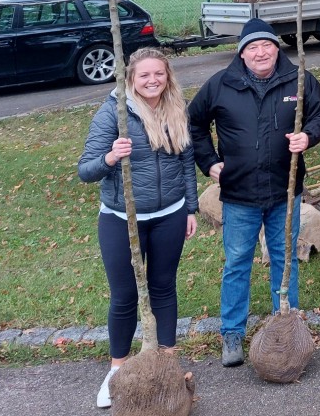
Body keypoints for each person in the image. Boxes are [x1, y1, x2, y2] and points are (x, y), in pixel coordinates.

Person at [189, 18, 320, 367]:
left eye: (266, 45)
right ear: (242, 53)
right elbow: (193, 123)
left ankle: (287, 325)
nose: (260, 52)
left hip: (285, 190)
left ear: (276, 47)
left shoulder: (297, 79)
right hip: (239, 194)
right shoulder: (221, 84)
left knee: (284, 261)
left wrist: (308, 135)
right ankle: (232, 333)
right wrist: (209, 162)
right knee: (237, 263)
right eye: (252, 47)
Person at [78, 48, 197, 408]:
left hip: (170, 214)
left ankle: (167, 363)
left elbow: (187, 160)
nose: (152, 80)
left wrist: (191, 208)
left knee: (163, 287)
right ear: (131, 77)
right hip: (122, 218)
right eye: (144, 75)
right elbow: (86, 170)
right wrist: (111, 157)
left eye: (159, 73)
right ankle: (116, 370)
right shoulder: (113, 112)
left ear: (167, 75)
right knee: (125, 295)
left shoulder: (176, 107)